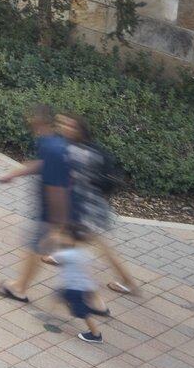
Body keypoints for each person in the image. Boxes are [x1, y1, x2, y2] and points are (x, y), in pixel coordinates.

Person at [0, 105, 76, 305]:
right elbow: (42, 165)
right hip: (52, 211)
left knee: (36, 247)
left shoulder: (51, 147)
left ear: (38, 121)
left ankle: (20, 288)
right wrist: (14, 173)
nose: (27, 121)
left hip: (50, 212)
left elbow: (57, 189)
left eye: (30, 118)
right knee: (43, 248)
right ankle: (90, 298)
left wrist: (58, 224)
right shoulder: (51, 143)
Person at [58, 113, 137, 296]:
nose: (64, 128)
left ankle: (124, 283)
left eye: (69, 126)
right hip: (88, 205)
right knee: (69, 235)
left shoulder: (80, 152)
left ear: (80, 131)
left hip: (88, 209)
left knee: (100, 247)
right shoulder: (89, 149)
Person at [51, 225, 108, 342]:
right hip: (82, 286)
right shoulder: (83, 252)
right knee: (60, 295)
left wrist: (48, 256)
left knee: (82, 313)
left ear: (72, 239)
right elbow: (94, 262)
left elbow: (50, 258)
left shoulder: (68, 254)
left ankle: (95, 334)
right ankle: (56, 309)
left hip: (74, 289)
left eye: (64, 237)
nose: (62, 239)